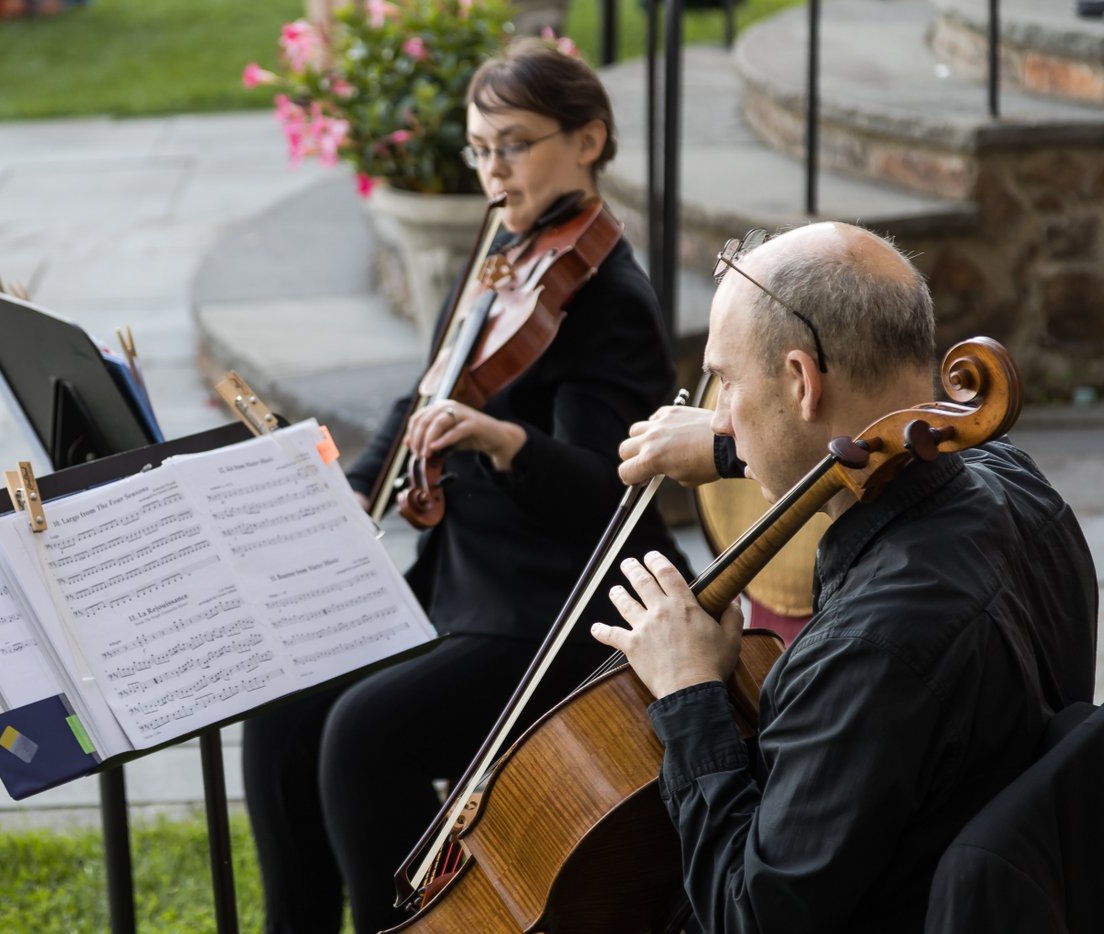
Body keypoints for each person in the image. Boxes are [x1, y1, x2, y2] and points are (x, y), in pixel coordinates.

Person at [242, 38, 689, 934]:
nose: (493, 170)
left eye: (515, 144)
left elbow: (607, 496)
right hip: (459, 582)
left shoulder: (611, 301)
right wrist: (345, 493)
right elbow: (428, 397)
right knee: (283, 711)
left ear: (589, 140)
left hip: (551, 608)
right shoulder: (497, 257)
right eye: (480, 148)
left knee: (366, 734)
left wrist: (506, 442)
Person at [592, 221, 1099, 932]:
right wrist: (728, 449)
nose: (721, 415)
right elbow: (858, 444)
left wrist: (690, 693)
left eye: (726, 384)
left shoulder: (868, 651)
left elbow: (747, 918)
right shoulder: (1020, 486)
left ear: (801, 381)